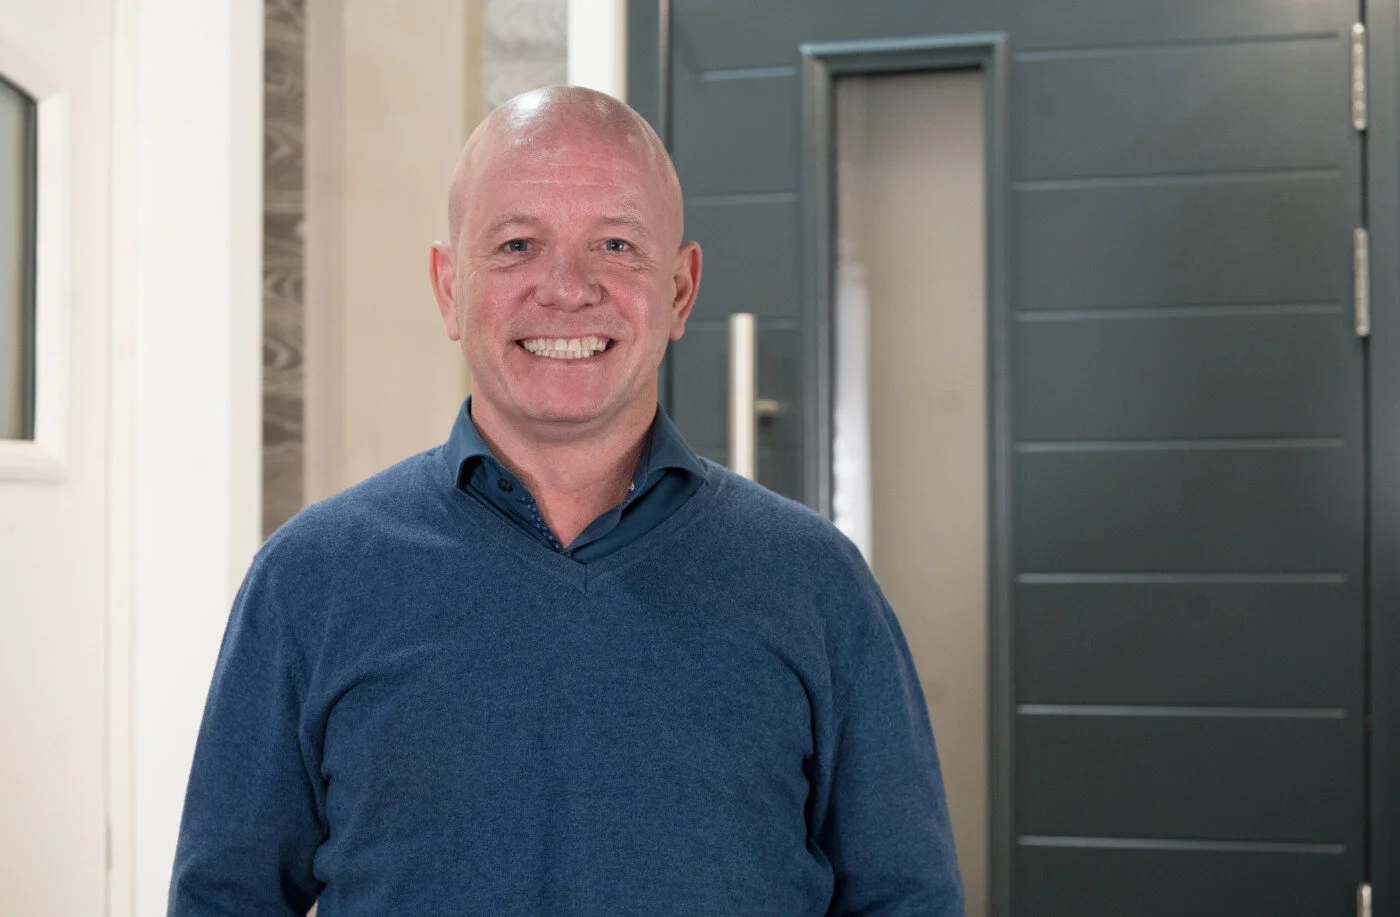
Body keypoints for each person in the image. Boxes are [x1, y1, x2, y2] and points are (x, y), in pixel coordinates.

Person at [168, 86, 963, 916]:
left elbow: (907, 899)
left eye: (615, 244)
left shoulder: (816, 580)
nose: (567, 288)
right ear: (449, 286)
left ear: (680, 289)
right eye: (517, 245)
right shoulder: (309, 579)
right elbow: (225, 899)